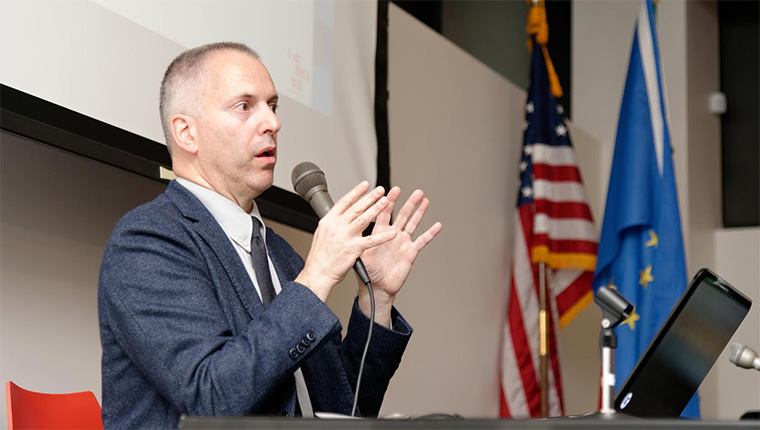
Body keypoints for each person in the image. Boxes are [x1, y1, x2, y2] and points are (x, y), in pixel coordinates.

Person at [98, 42, 442, 428]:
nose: (272, 123)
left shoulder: (277, 252)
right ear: (187, 133)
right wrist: (316, 278)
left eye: (273, 106)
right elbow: (210, 399)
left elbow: (343, 409)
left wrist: (374, 298)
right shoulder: (147, 242)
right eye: (245, 106)